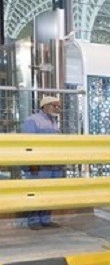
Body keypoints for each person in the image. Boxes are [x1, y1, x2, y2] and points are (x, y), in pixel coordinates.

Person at [21, 95, 64, 229]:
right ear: (45, 106)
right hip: (39, 165)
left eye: (59, 106)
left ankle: (45, 219)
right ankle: (33, 220)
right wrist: (32, 163)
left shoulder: (54, 122)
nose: (58, 109)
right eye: (55, 106)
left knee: (50, 192)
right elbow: (28, 143)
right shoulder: (33, 120)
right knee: (36, 191)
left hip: (53, 164)